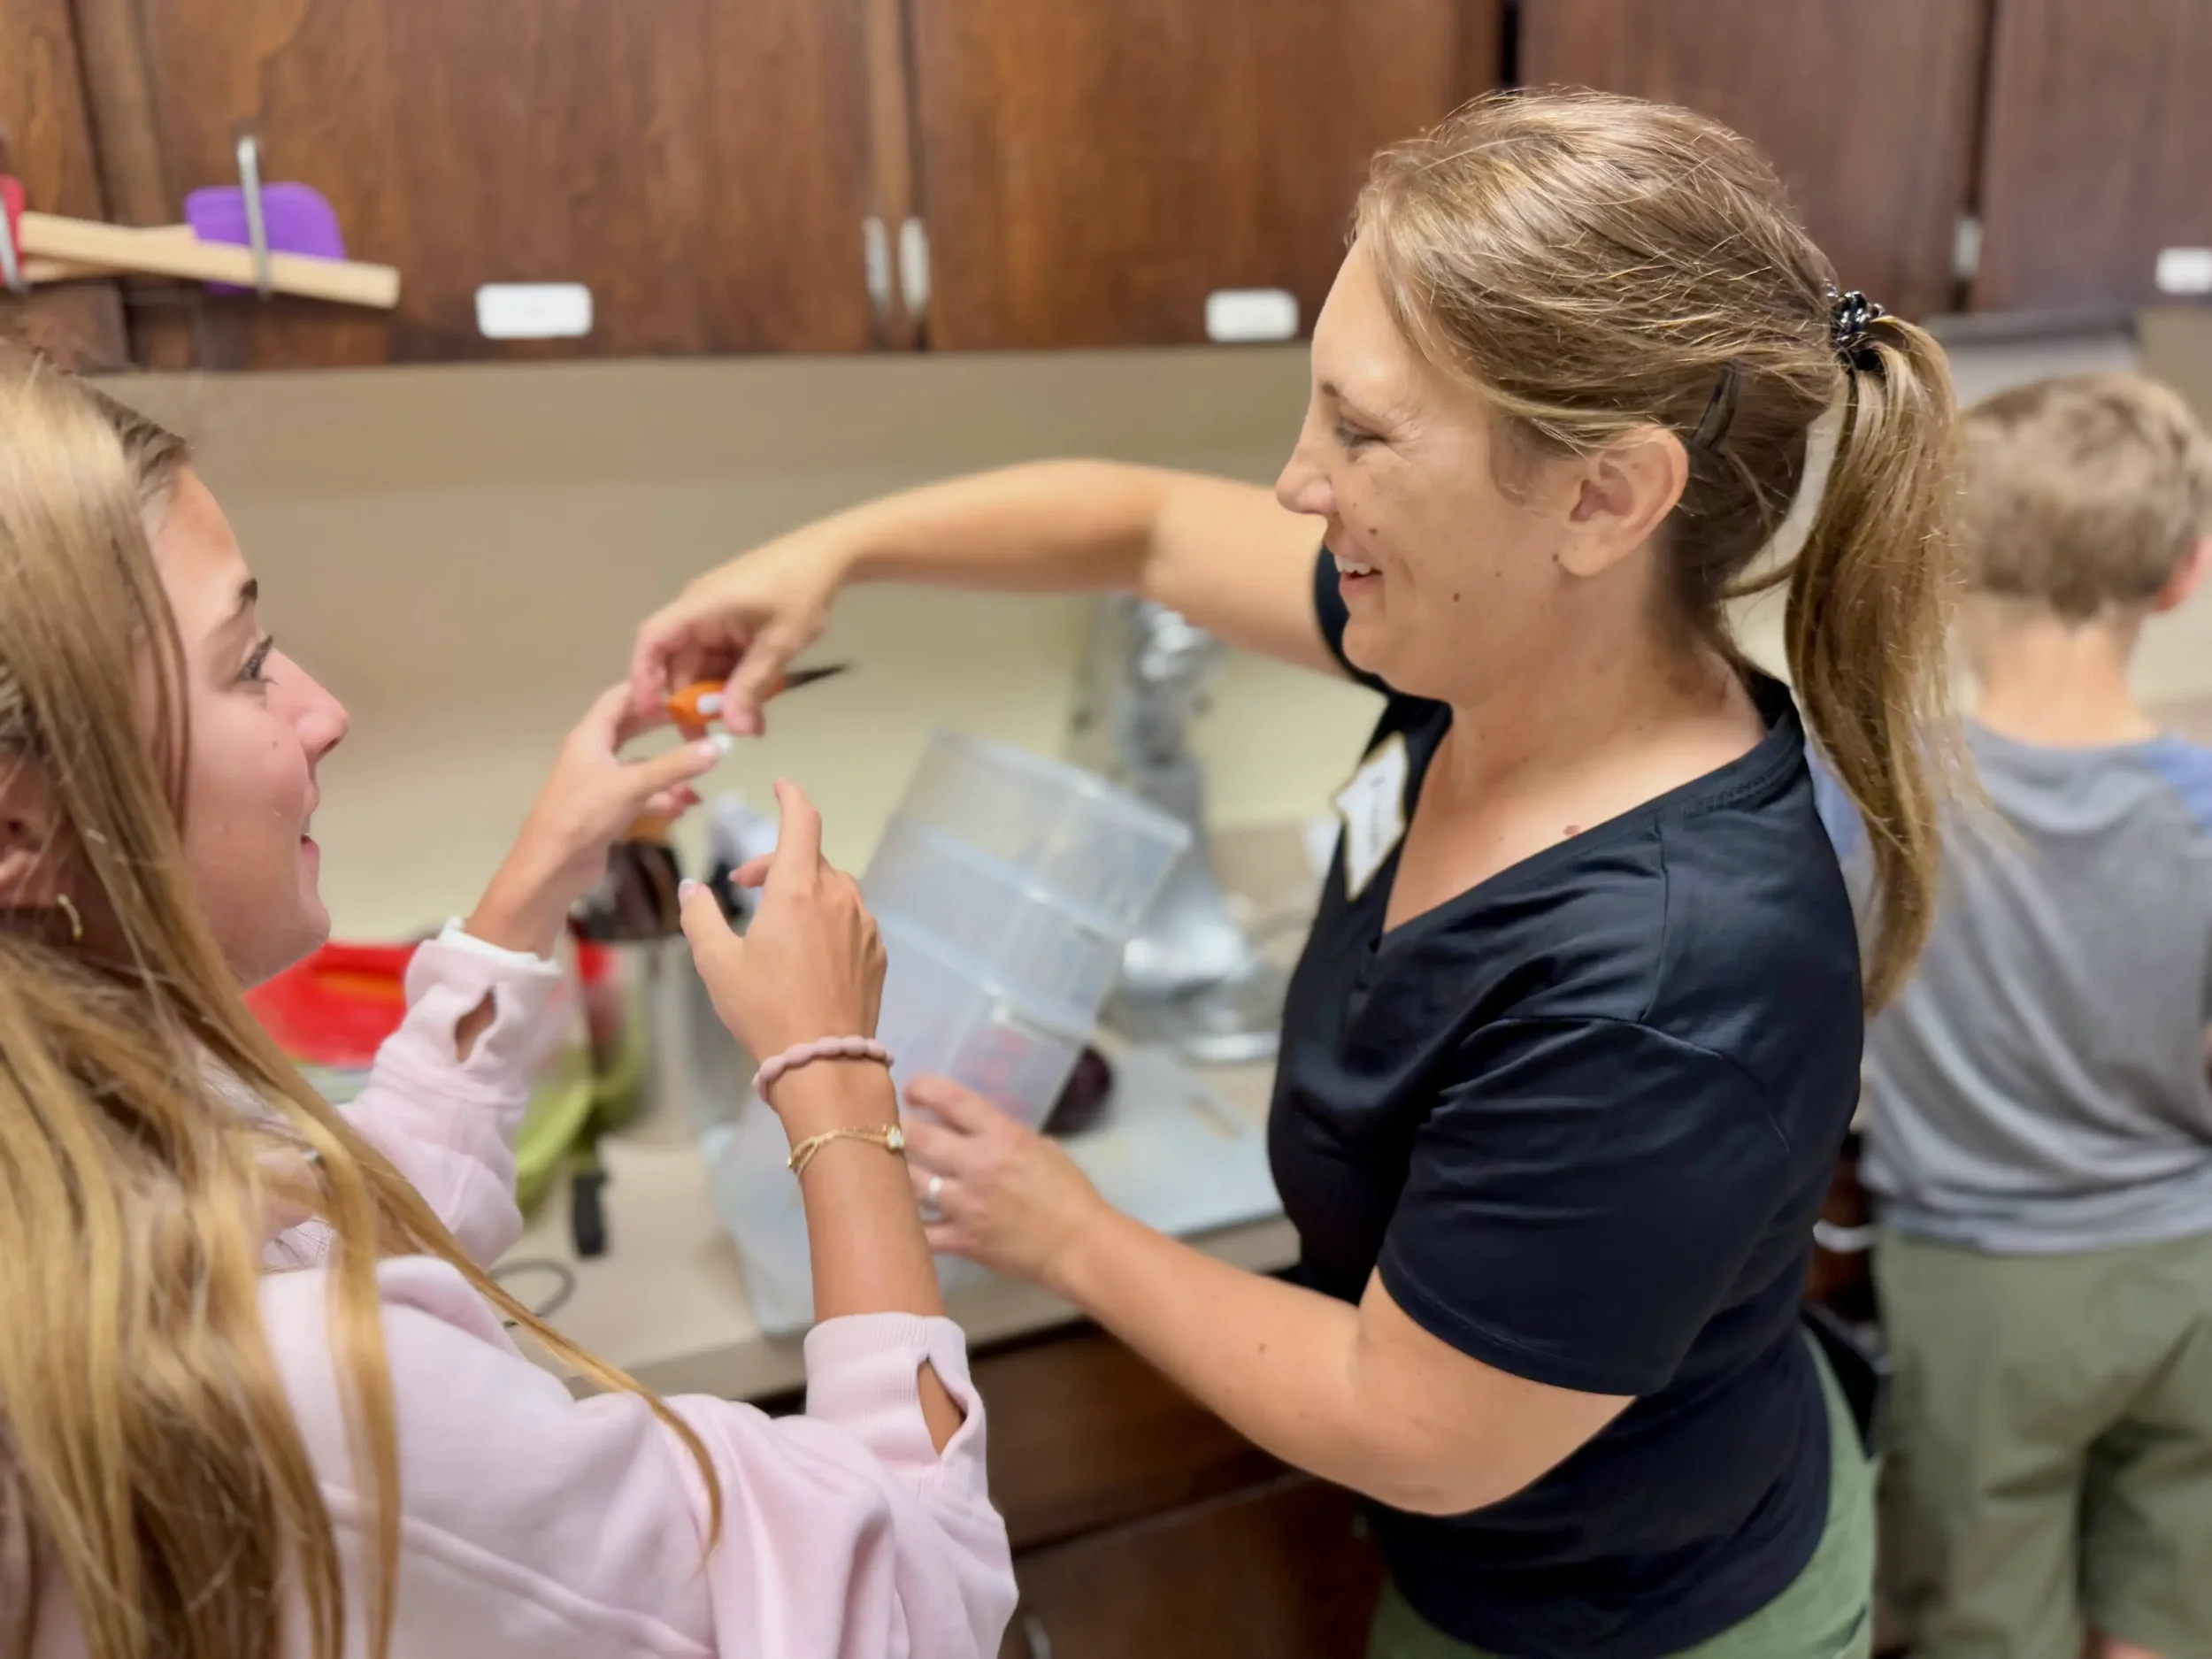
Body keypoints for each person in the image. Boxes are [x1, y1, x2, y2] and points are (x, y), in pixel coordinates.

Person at [634, 89, 1962, 1659]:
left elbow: (1412, 1419)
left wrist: (1067, 1229)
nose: (1297, 482)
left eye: (1363, 431)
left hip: (1628, 1620)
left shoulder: (1668, 977)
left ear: (1605, 499)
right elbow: (1136, 528)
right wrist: (830, 554)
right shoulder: (1491, 645)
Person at [0, 347, 1014, 1659]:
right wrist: (834, 1078)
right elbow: (911, 1606)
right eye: (248, 664)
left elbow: (355, 1231)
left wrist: (530, 889)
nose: (324, 710)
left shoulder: (82, 1170)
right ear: (23, 825)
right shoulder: (296, 1400)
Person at [1822, 373, 2212, 1659]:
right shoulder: (2203, 810)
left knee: (1987, 1617)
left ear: (1943, 569)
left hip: (1986, 1293)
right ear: (2182, 577)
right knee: (2168, 1601)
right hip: (2186, 1271)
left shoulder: (1880, 796)